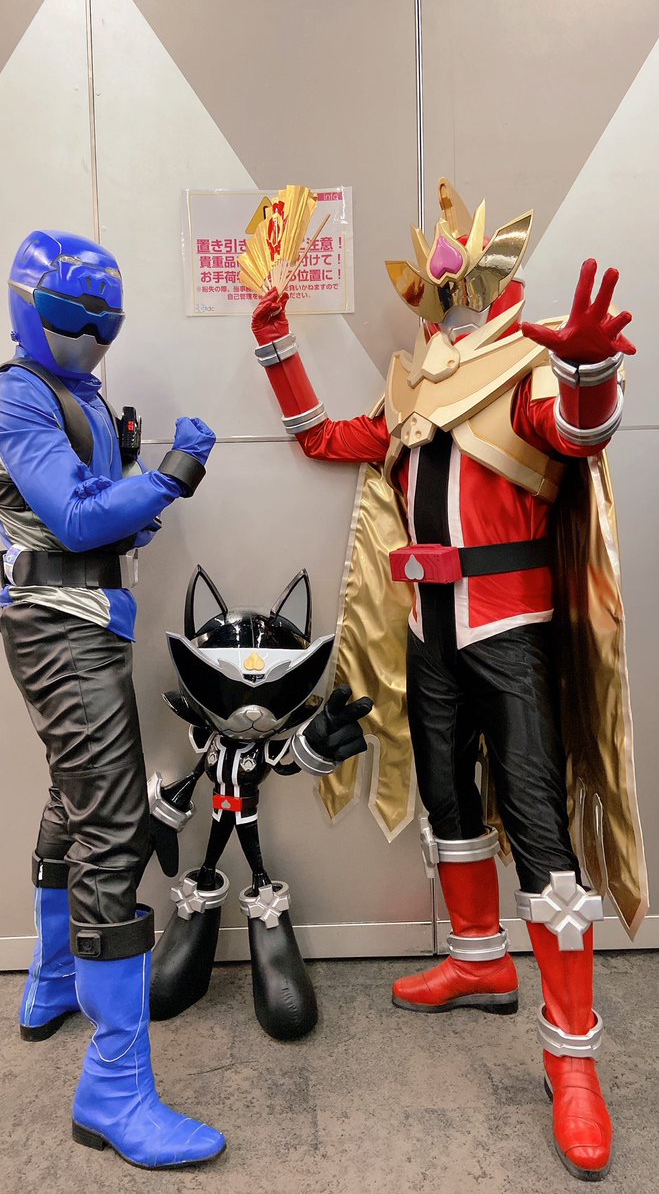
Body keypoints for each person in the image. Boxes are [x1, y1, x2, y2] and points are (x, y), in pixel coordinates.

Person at [250, 181, 641, 1181]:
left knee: (541, 830)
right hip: (428, 627)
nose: (451, 286)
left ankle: (572, 1056)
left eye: (465, 270)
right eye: (439, 274)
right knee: (446, 795)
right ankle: (478, 958)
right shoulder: (412, 390)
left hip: (510, 627)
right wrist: (275, 341)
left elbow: (580, 435)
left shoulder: (525, 369)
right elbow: (328, 439)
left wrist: (588, 367)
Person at [0, 230, 225, 1168]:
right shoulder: (14, 392)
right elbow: (78, 516)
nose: (91, 339)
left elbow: (105, 511)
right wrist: (170, 475)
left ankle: (52, 982)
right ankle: (114, 1089)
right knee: (116, 829)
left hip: (86, 618)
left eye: (105, 324)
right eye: (75, 320)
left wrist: (145, 495)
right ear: (31, 309)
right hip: (59, 622)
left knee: (73, 795)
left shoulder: (75, 393)